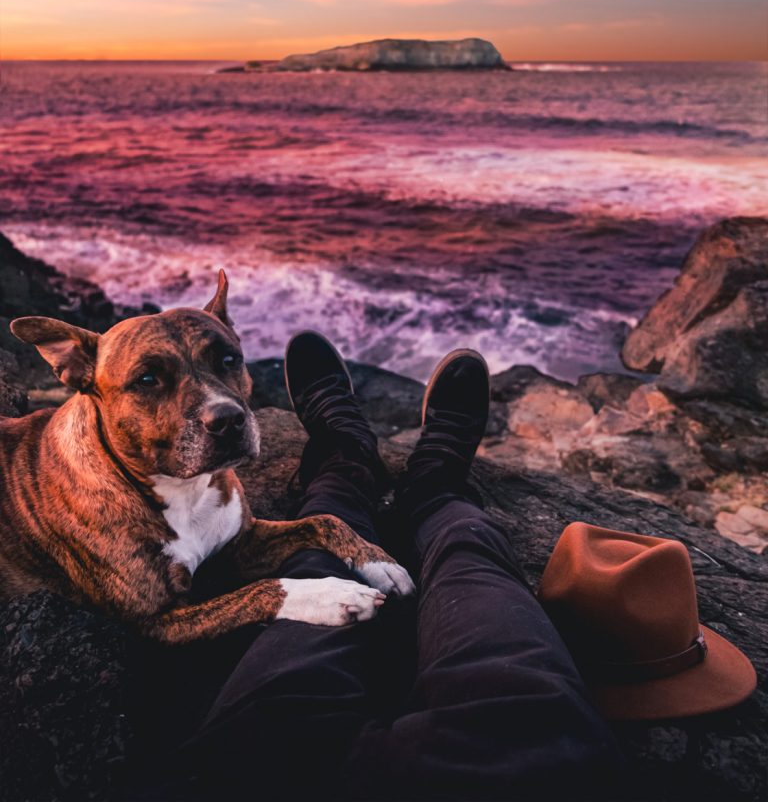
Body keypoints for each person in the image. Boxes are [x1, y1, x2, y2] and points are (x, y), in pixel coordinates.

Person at [142, 333, 624, 801]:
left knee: (315, 570)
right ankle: (434, 488)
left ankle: (343, 460)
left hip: (266, 773)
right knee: (471, 555)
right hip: (520, 765)